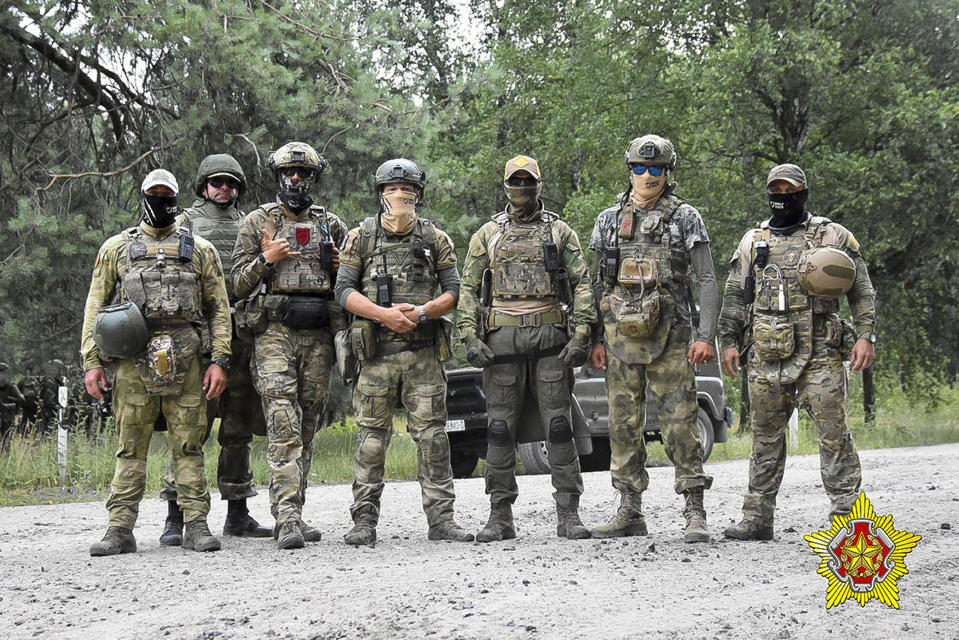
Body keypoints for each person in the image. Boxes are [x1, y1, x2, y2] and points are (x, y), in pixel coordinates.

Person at [719, 163, 877, 540]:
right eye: (775, 188)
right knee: (764, 437)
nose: (782, 196)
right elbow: (734, 295)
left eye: (789, 189)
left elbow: (862, 290)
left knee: (833, 435)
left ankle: (848, 521)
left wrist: (866, 335)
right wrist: (727, 341)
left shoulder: (833, 235)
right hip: (765, 352)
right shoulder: (753, 241)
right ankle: (757, 518)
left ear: (803, 193)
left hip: (821, 350)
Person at [80, 169, 232, 556]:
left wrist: (219, 360)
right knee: (130, 446)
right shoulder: (116, 248)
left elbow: (218, 309)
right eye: (155, 194)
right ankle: (119, 529)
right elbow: (95, 307)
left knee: (189, 445)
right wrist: (92, 362)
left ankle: (196, 524)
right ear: (144, 196)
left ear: (177, 198)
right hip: (133, 359)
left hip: (186, 359)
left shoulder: (200, 250)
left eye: (167, 195)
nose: (161, 201)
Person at [334, 158, 473, 547]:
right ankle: (364, 521)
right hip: (376, 354)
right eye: (392, 190)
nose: (399, 197)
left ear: (419, 195)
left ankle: (442, 521)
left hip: (423, 355)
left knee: (433, 439)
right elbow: (343, 291)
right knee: (371, 439)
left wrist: (424, 311)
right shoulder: (360, 237)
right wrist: (383, 315)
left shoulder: (435, 239)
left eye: (407, 191)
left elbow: (454, 291)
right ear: (380, 194)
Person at [456, 155, 596, 542]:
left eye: (527, 180)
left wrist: (582, 332)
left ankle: (569, 513)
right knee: (499, 430)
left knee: (559, 426)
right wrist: (469, 335)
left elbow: (583, 283)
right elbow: (467, 288)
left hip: (551, 341)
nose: (521, 187)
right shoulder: (488, 234)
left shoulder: (559, 231)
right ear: (504, 186)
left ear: (539, 183)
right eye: (515, 181)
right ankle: (500, 515)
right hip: (501, 344)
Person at [588, 134, 719, 543]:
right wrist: (595, 337)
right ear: (629, 170)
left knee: (680, 423)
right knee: (623, 424)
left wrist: (705, 334)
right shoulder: (608, 219)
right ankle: (629, 509)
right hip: (619, 337)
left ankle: (694, 510)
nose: (648, 176)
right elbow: (595, 284)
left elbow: (708, 278)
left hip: (674, 337)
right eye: (641, 168)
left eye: (657, 169)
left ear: (668, 172)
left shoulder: (685, 217)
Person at [232, 142, 347, 549]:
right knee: (283, 424)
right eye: (288, 172)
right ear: (278, 175)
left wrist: (337, 267)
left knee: (308, 426)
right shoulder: (257, 222)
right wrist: (266, 259)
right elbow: (234, 284)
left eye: (302, 173)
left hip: (317, 336)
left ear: (313, 178)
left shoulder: (331, 224)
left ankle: (294, 507)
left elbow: (349, 285)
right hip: (275, 334)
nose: (295, 179)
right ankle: (287, 519)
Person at [158, 154, 271, 545]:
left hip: (241, 336)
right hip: (197, 338)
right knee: (190, 427)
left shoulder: (250, 226)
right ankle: (176, 514)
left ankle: (237, 512)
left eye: (231, 183)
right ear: (203, 185)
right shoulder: (184, 223)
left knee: (238, 428)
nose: (224, 189)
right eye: (217, 182)